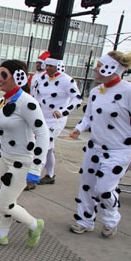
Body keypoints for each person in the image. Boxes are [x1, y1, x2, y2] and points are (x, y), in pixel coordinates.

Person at [69, 51, 131, 238]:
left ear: (113, 68)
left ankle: (110, 219)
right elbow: (88, 117)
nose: (95, 69)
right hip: (95, 148)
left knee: (104, 189)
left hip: (120, 150)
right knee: (87, 186)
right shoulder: (95, 92)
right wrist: (79, 128)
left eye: (100, 65)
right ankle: (85, 220)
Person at [0, 60, 49, 246]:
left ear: (18, 77)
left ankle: (34, 224)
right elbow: (2, 128)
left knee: (3, 203)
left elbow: (42, 133)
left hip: (21, 162)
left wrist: (36, 168)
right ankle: (1, 235)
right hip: (5, 158)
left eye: (3, 74)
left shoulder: (27, 102)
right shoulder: (5, 99)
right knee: (7, 198)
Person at [26, 56, 82, 190]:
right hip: (41, 117)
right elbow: (34, 96)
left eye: (51, 66)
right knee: (49, 148)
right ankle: (50, 175)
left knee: (43, 146)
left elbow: (77, 99)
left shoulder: (67, 80)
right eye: (47, 65)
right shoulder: (41, 78)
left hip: (56, 119)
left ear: (58, 66)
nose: (48, 68)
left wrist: (63, 111)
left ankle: (33, 178)